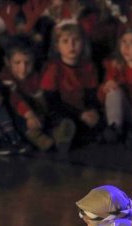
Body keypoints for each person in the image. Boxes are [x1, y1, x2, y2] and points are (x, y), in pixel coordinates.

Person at [40, 21, 102, 151]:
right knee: (66, 123)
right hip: (62, 111)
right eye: (65, 41)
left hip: (82, 111)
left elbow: (91, 95)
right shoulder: (53, 68)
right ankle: (58, 134)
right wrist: (80, 114)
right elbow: (52, 102)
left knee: (99, 123)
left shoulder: (88, 66)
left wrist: (92, 110)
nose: (71, 45)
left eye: (76, 40)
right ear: (57, 46)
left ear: (83, 43)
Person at [0, 38, 65, 152]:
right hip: (19, 118)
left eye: (27, 63)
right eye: (17, 63)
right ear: (8, 62)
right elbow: (15, 99)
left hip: (37, 115)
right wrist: (29, 114)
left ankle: (57, 134)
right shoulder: (5, 76)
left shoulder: (34, 76)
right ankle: (40, 139)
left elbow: (40, 96)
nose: (23, 68)